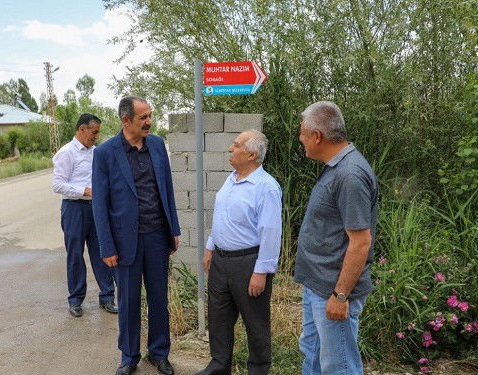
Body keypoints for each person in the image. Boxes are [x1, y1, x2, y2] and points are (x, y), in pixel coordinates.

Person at [92, 95, 181, 375]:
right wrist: (106, 246)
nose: (149, 122)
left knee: (158, 298)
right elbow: (100, 204)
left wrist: (173, 229)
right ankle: (129, 357)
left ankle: (159, 353)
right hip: (123, 241)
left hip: (156, 236)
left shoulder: (156, 145)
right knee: (129, 302)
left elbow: (167, 188)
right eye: (143, 117)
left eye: (150, 116)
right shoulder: (105, 153)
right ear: (126, 120)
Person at [294, 101, 378, 375]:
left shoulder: (349, 174)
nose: (300, 138)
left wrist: (340, 296)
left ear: (317, 136)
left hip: (332, 290)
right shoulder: (335, 166)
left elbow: (361, 242)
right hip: (318, 285)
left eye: (303, 133)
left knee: (338, 366)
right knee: (315, 356)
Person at [194, 129, 282, 375]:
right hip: (221, 261)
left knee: (256, 324)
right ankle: (219, 366)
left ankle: (258, 370)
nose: (230, 149)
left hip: (248, 264)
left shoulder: (266, 187)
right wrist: (210, 247)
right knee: (219, 319)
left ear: (252, 154)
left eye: (236, 145)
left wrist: (261, 272)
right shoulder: (231, 179)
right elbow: (223, 218)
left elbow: (271, 232)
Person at [52, 113, 117, 318]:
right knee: (75, 255)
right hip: (74, 209)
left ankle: (107, 297)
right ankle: (76, 300)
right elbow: (58, 185)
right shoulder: (66, 153)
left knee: (102, 252)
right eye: (94, 132)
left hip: (97, 209)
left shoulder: (97, 153)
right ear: (82, 129)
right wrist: (86, 191)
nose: (96, 136)